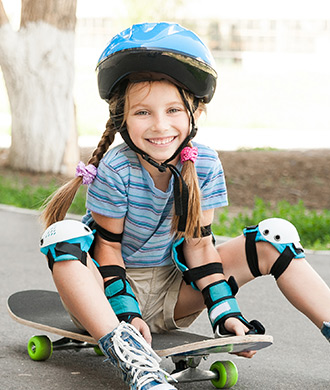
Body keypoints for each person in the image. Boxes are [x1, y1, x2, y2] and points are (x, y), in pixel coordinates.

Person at [40, 22, 330, 389]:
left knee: (276, 236)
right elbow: (107, 249)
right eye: (143, 112)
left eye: (173, 109)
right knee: (64, 235)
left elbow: (199, 247)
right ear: (122, 119)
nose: (160, 126)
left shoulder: (204, 163)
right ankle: (134, 361)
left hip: (175, 297)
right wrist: (126, 314)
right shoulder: (115, 168)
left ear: (194, 112)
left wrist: (225, 312)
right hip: (104, 301)